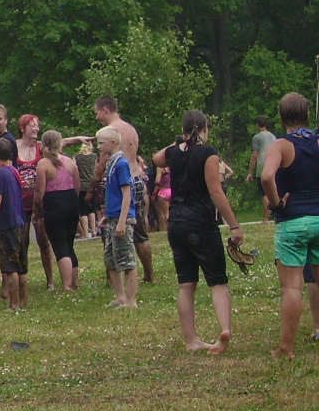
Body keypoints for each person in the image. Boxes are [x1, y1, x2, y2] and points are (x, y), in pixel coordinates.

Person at [153, 110, 239, 354]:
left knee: (186, 284)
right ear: (205, 128)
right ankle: (224, 329)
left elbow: (156, 158)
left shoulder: (173, 153)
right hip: (201, 222)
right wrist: (234, 225)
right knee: (217, 282)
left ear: (183, 131)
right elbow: (215, 192)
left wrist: (179, 142)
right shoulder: (208, 154)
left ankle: (191, 340)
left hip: (177, 222)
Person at [261, 92, 319, 359]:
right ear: (307, 113)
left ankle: (286, 348)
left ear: (281, 116)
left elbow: (267, 176)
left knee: (292, 288)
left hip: (294, 221)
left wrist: (276, 204)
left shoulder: (281, 145)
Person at [93, 96, 154, 283]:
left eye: (97, 113)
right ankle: (149, 274)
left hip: (119, 184)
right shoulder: (130, 129)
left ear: (105, 110)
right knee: (140, 232)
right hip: (136, 179)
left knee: (111, 230)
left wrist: (91, 187)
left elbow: (103, 162)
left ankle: (113, 278)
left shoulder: (110, 133)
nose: (96, 117)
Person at [34, 130, 81, 292]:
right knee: (69, 244)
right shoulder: (70, 162)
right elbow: (77, 186)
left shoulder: (43, 164)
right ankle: (75, 282)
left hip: (54, 205)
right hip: (71, 203)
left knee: (60, 245)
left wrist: (37, 210)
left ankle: (67, 285)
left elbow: (39, 192)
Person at [97, 127, 139, 309]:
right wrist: (108, 215)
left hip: (123, 218)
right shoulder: (110, 163)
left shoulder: (121, 164)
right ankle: (120, 296)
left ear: (113, 143)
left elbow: (126, 194)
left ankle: (131, 300)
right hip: (113, 217)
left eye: (101, 143)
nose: (98, 146)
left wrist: (122, 220)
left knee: (126, 259)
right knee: (111, 258)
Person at [0, 139, 27, 311]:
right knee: (21, 266)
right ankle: (24, 302)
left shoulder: (0, 173)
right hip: (20, 223)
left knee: (10, 267)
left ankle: (13, 304)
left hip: (7, 225)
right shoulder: (14, 171)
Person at [14, 115, 56, 291]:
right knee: (22, 241)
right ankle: (21, 279)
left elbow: (59, 143)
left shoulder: (40, 147)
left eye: (37, 126)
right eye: (32, 126)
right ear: (22, 128)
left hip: (39, 201)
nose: (36, 129)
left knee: (44, 240)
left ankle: (50, 280)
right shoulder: (14, 147)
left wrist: (78, 139)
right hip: (20, 201)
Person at [247, 115, 277, 224]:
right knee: (273, 192)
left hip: (262, 168)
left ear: (257, 125)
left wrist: (250, 172)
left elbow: (255, 155)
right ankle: (275, 215)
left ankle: (266, 218)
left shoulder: (257, 138)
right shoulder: (273, 137)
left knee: (264, 194)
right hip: (273, 167)